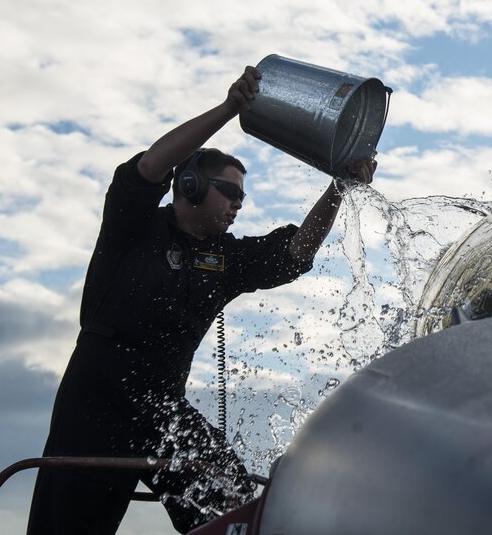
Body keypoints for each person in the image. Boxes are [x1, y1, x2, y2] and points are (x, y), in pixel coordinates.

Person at [27, 66, 377, 534]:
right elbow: (149, 167)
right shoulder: (135, 227)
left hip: (161, 405)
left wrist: (341, 186)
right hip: (95, 398)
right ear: (189, 186)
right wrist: (230, 109)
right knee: (69, 524)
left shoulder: (224, 258)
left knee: (227, 490)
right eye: (230, 191)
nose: (238, 204)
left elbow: (297, 252)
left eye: (243, 198)